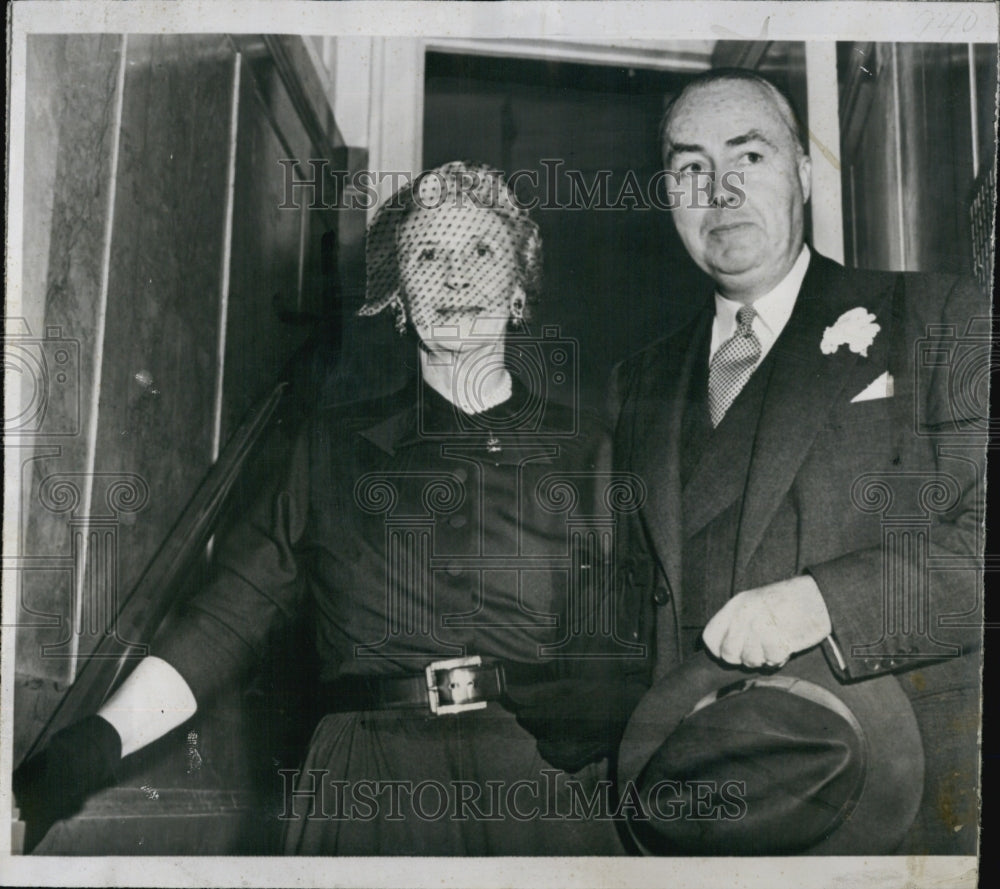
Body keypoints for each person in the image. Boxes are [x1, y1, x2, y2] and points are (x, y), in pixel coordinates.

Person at [14, 162, 647, 855]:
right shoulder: (332, 447)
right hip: (367, 785)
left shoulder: (593, 451)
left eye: (482, 251)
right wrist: (87, 749)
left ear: (520, 287)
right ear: (400, 296)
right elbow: (227, 618)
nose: (455, 275)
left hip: (538, 787)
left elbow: (636, 634)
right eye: (428, 255)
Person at [609, 69, 986, 855]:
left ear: (806, 174)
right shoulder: (634, 380)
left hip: (888, 794)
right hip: (704, 802)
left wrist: (826, 600)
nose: (719, 189)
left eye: (748, 157)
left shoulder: (938, 316)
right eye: (690, 168)